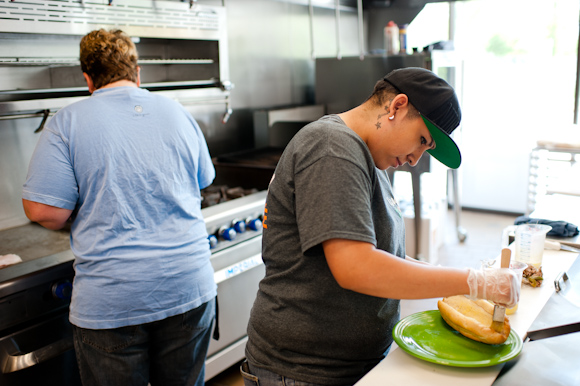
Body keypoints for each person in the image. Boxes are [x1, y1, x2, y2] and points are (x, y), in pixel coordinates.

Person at [241, 67, 520, 386]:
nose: (417, 159)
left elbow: (385, 257)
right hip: (303, 370)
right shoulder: (332, 147)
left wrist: (465, 283)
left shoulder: (366, 159)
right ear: (397, 106)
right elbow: (356, 267)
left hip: (351, 364)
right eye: (422, 140)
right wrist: (475, 281)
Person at [22, 29, 216, 386]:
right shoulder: (177, 112)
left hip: (114, 300)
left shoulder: (67, 122)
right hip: (189, 287)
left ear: (88, 78)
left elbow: (44, 211)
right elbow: (203, 180)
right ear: (137, 72)